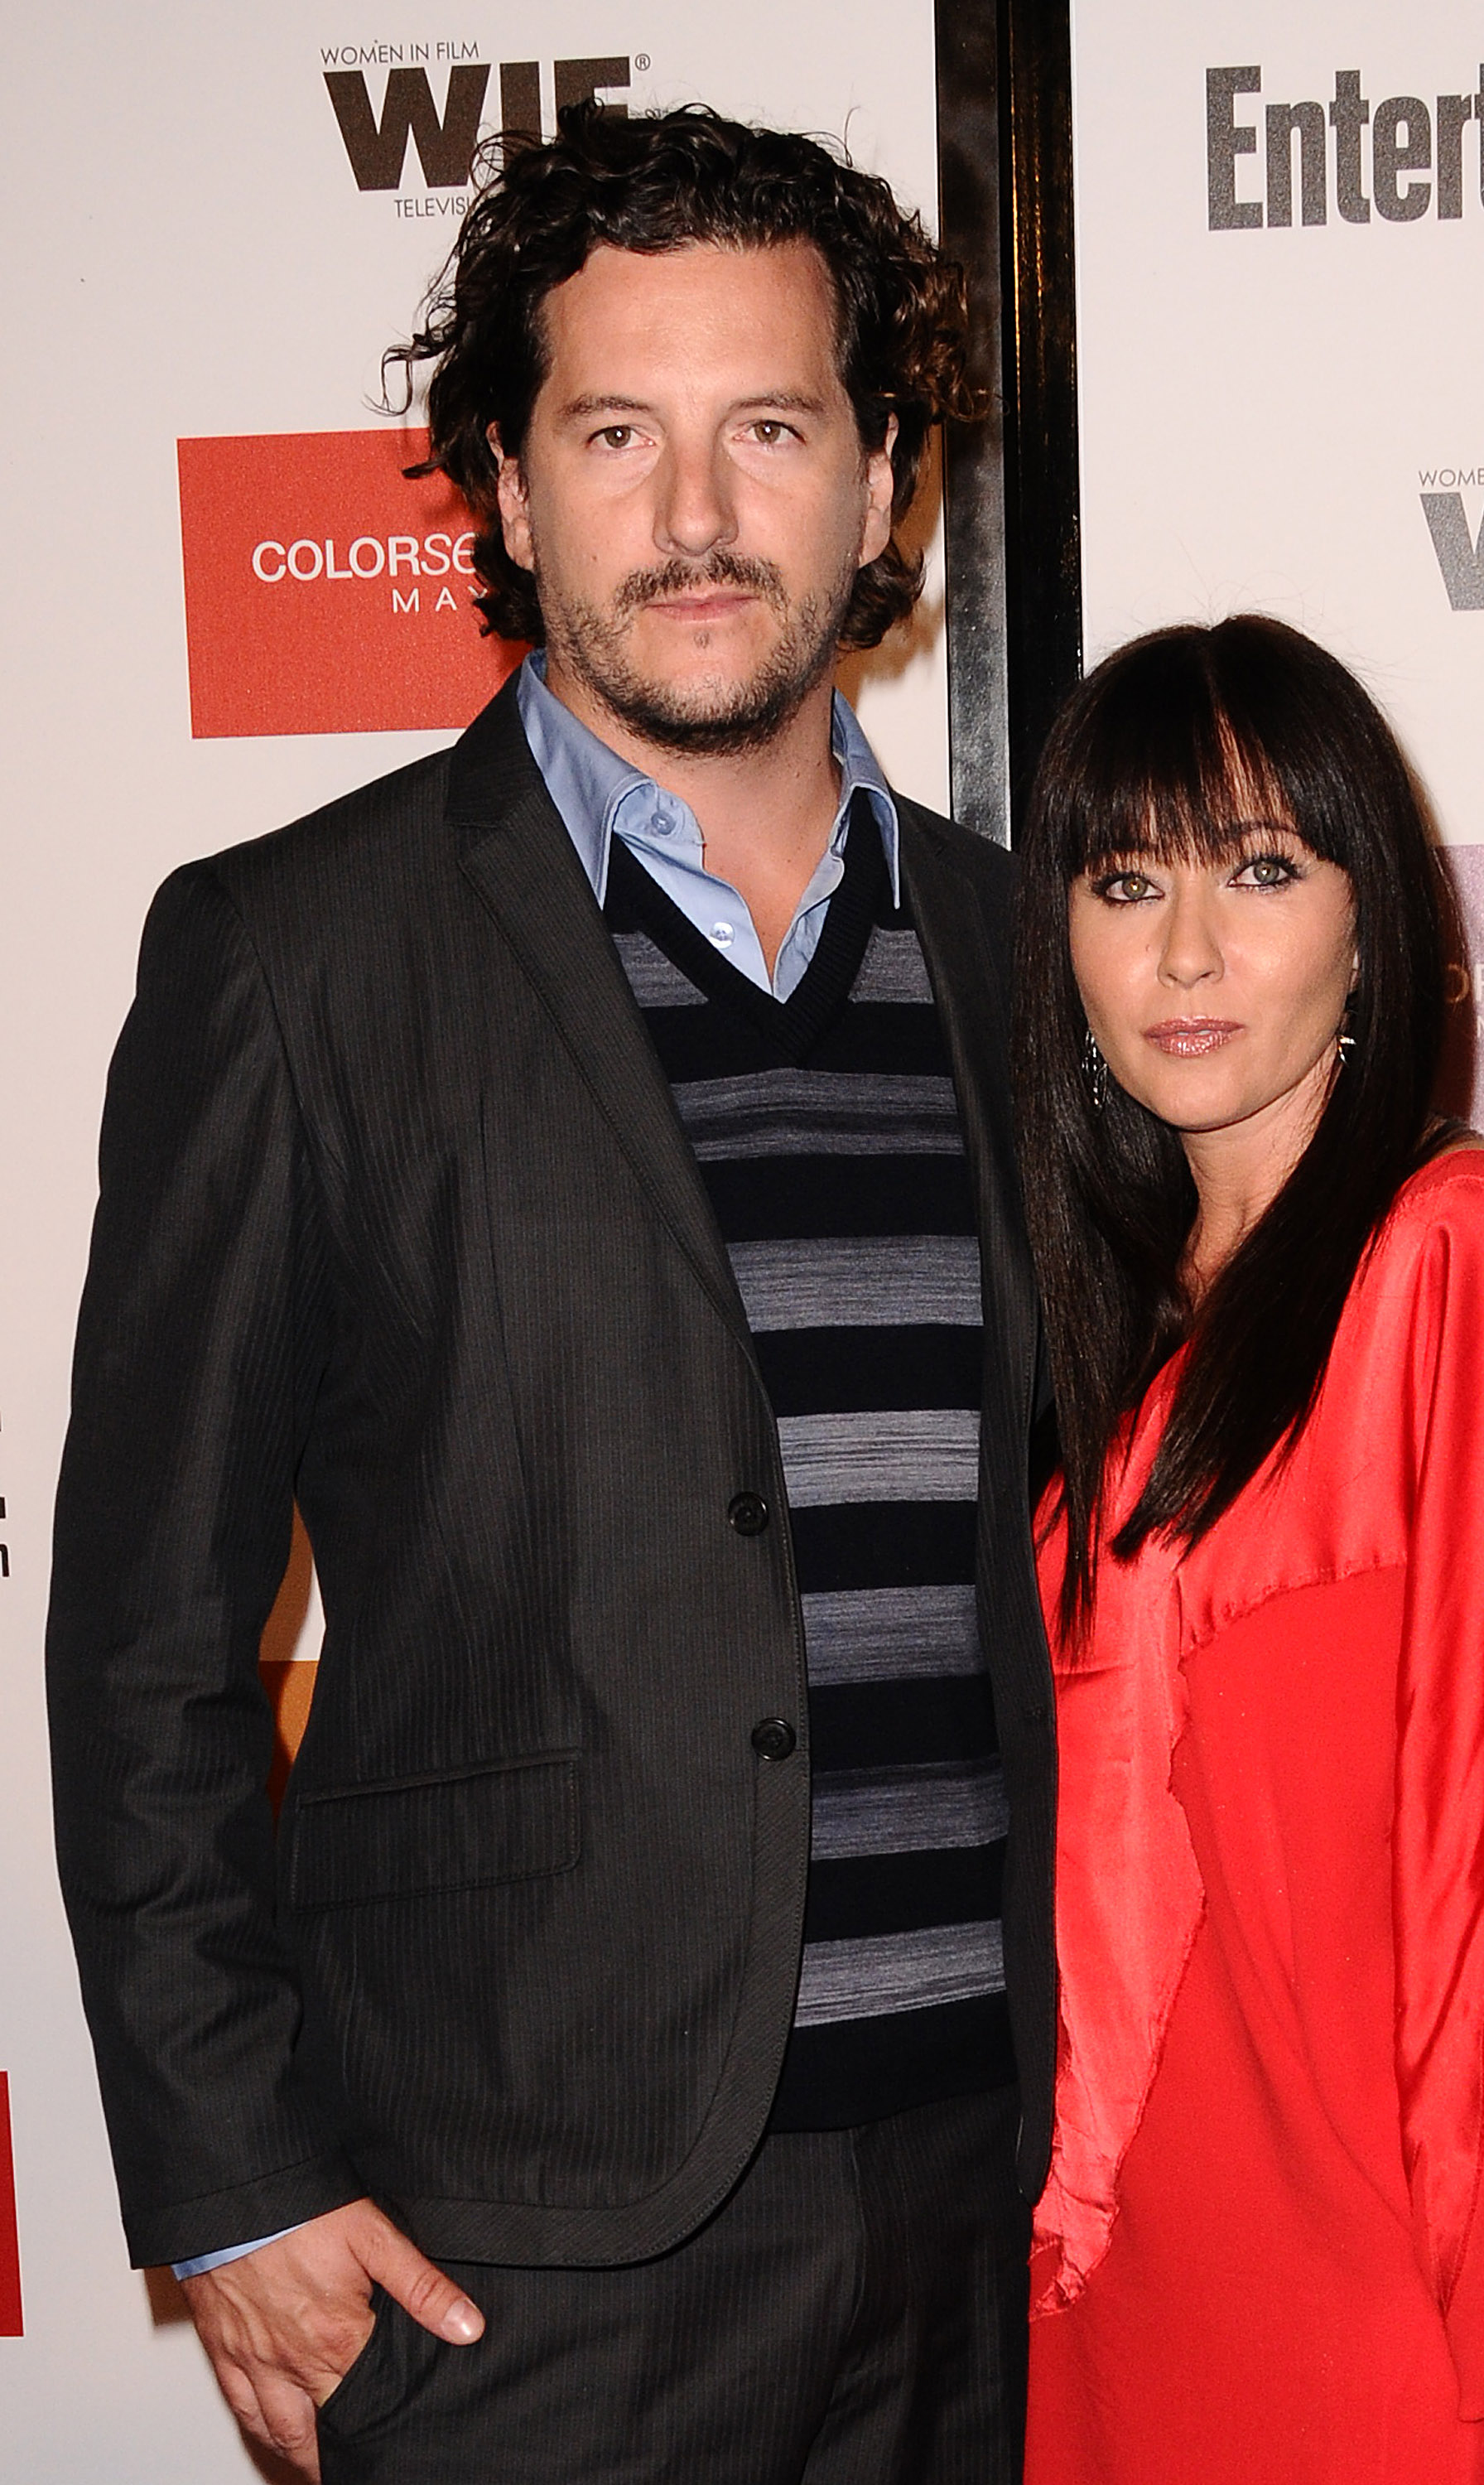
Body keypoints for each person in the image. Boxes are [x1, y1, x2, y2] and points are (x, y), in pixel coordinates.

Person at [47, 105, 1055, 2485]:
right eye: (618, 434)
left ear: (885, 485)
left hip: (980, 2216)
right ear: (503, 488)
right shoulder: (294, 957)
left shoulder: (1030, 959)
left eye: (772, 430)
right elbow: (143, 1635)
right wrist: (236, 2175)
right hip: (517, 2253)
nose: (696, 514)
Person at [1009, 617, 1484, 2483]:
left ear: (1369, 923)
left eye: (1261, 869)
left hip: (1379, 2292)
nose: (1186, 951)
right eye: (1125, 880)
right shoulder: (1092, 1360)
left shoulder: (1468, 1256)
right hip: (1099, 2288)